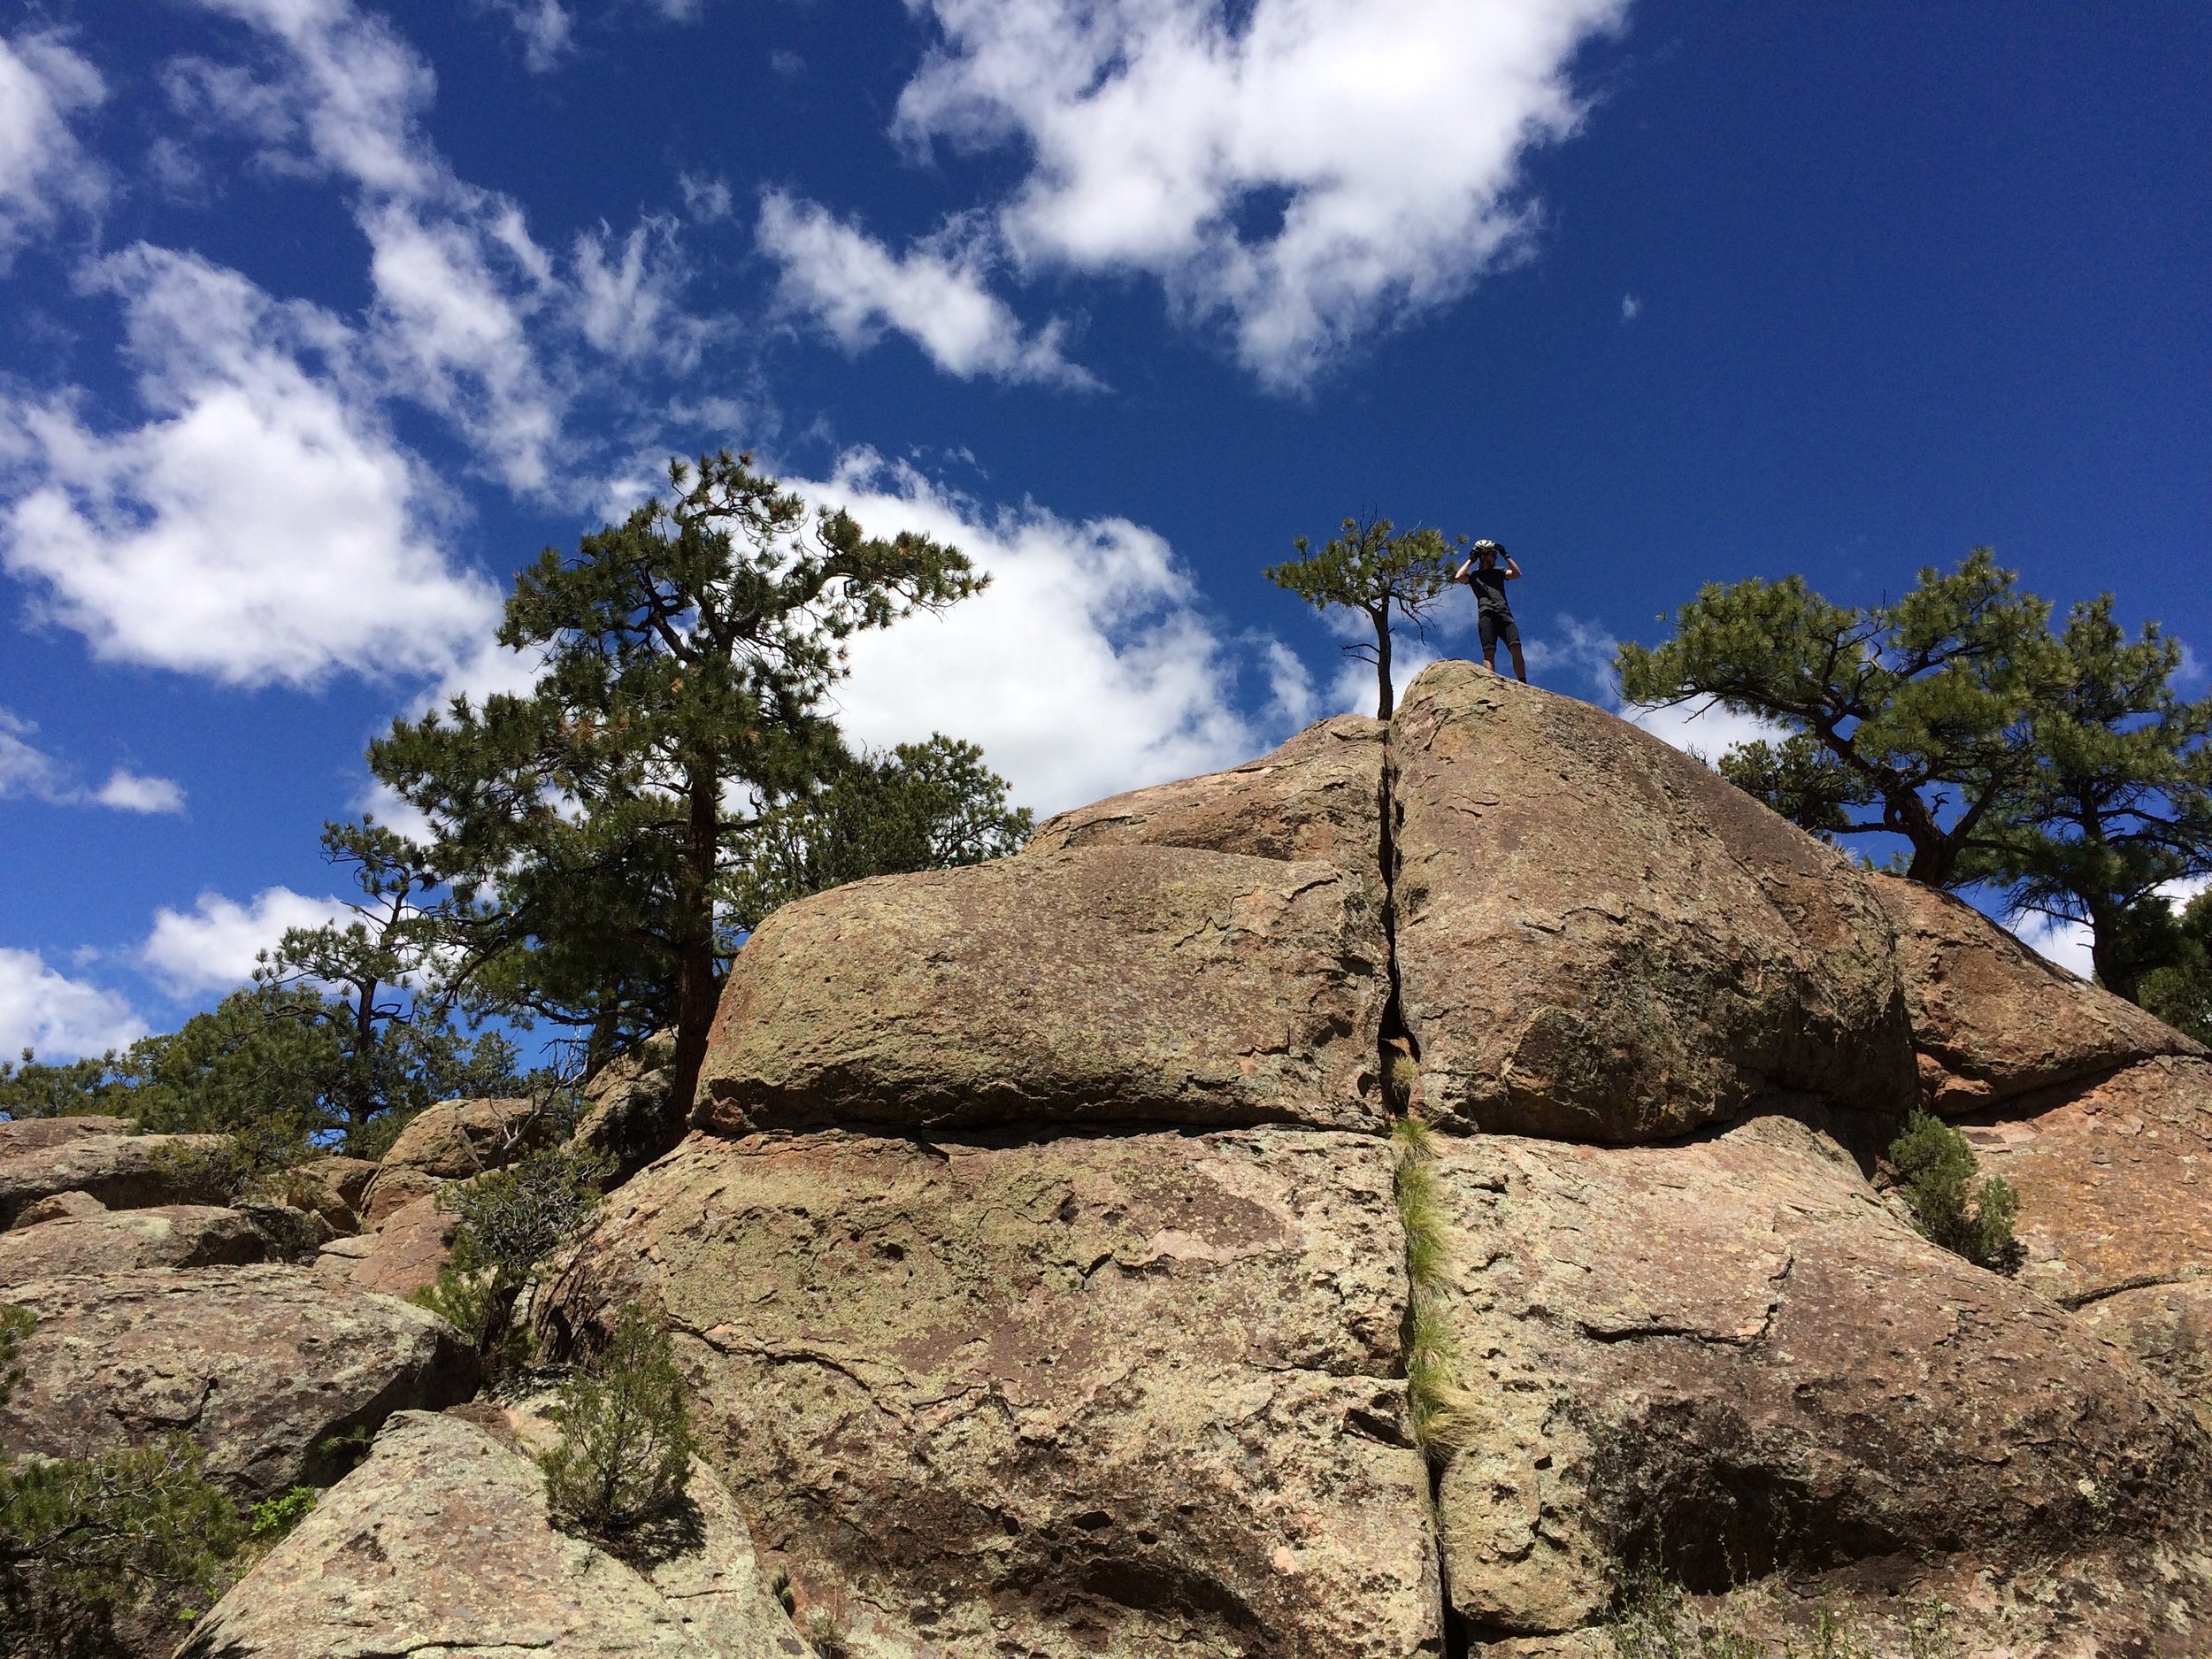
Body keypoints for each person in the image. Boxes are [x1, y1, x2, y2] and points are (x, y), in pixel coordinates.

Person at [1455, 540, 1525, 681]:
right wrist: (1471, 560)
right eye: (1493, 555)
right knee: (1489, 650)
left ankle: (1523, 682)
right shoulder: (1474, 576)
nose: (1495, 558)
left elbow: (1517, 574)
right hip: (1486, 614)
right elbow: (1459, 577)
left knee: (1516, 647)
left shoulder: (1499, 571)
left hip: (1504, 613)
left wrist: (1506, 555)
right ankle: (1490, 681)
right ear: (1484, 556)